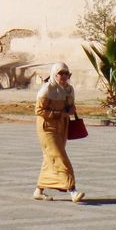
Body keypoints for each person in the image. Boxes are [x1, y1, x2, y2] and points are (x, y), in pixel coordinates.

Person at [33, 62, 83, 202]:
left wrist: (70, 110)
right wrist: (59, 114)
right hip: (47, 127)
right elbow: (39, 110)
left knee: (50, 158)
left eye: (66, 73)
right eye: (61, 73)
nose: (64, 76)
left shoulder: (69, 89)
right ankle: (72, 189)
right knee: (60, 157)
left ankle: (39, 189)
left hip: (62, 127)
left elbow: (70, 107)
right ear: (54, 74)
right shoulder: (47, 89)